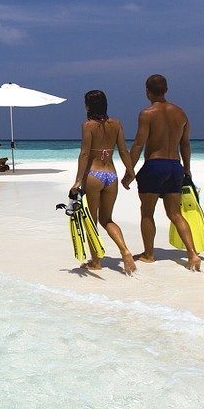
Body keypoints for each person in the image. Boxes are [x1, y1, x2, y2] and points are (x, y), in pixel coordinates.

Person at [122, 74, 202, 271]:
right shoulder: (181, 113)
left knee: (147, 212)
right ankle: (192, 254)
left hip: (154, 166)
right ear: (166, 90)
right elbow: (185, 144)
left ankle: (149, 254)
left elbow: (139, 144)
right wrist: (187, 169)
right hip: (175, 166)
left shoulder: (147, 113)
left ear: (147, 91)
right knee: (175, 213)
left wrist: (129, 172)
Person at [71, 90, 138, 274]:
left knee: (91, 221)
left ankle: (96, 262)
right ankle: (125, 251)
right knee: (107, 219)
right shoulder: (116, 124)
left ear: (87, 106)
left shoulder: (88, 126)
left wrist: (77, 181)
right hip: (111, 175)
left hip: (93, 175)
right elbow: (124, 151)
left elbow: (85, 153)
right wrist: (131, 173)